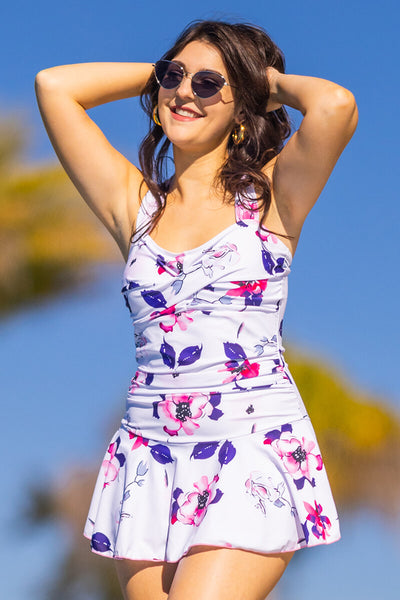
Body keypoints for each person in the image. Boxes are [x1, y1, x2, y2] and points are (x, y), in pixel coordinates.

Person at [35, 19, 358, 600]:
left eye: (209, 84)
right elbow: (55, 86)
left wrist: (257, 80)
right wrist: (166, 75)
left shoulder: (273, 198)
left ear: (243, 108)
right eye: (175, 76)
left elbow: (335, 105)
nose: (185, 92)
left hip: (249, 444)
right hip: (148, 455)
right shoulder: (136, 207)